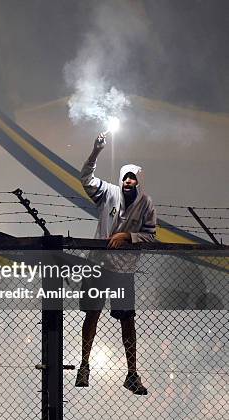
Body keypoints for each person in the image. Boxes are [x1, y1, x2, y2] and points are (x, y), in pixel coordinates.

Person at [75, 132, 157, 395]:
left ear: (139, 181)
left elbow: (151, 235)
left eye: (133, 177)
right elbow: (85, 179)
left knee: (127, 321)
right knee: (92, 315)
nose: (128, 181)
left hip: (124, 270)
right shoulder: (108, 193)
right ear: (121, 180)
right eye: (125, 177)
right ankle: (84, 366)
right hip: (99, 265)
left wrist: (128, 236)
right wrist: (96, 152)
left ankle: (132, 374)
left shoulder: (146, 204)